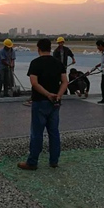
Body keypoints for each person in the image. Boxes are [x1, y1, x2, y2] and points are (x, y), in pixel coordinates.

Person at [18, 39, 68, 170]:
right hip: (55, 103)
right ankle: (54, 161)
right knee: (54, 132)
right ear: (50, 48)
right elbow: (65, 82)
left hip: (40, 101)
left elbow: (34, 83)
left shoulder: (35, 63)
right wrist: (58, 95)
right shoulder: (58, 63)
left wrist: (47, 94)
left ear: (38, 48)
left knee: (37, 133)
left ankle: (32, 162)